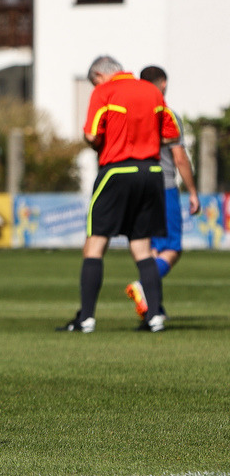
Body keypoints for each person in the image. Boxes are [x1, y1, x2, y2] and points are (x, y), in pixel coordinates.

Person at [58, 56, 180, 334]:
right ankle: (153, 317)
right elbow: (171, 133)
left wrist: (111, 141)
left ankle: (86, 318)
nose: (94, 87)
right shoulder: (152, 91)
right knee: (142, 245)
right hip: (151, 172)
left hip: (117, 171)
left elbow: (92, 135)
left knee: (95, 244)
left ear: (100, 75)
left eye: (93, 82)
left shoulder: (104, 92)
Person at [124, 66, 200, 323]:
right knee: (172, 248)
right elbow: (179, 157)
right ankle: (143, 287)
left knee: (152, 249)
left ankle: (155, 308)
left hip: (134, 184)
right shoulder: (166, 114)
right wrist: (192, 191)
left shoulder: (132, 114)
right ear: (163, 83)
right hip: (163, 185)